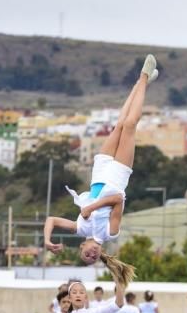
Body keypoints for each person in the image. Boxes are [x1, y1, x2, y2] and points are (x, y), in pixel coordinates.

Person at [43, 54, 158, 275]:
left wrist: (47, 240)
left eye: (86, 255)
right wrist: (91, 208)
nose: (92, 255)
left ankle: (139, 83)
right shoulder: (110, 233)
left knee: (119, 125)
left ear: (82, 246)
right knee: (130, 124)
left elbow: (51, 220)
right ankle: (144, 77)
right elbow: (117, 200)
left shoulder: (80, 228)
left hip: (99, 174)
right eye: (94, 258)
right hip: (117, 177)